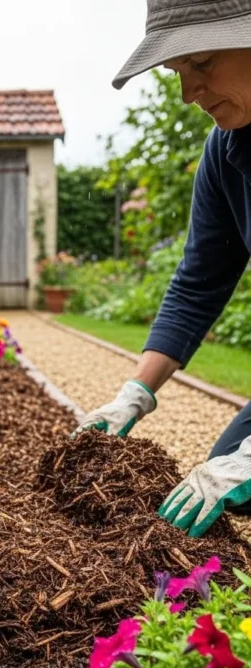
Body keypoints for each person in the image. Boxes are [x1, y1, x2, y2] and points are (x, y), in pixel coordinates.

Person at [80, 0, 251, 538]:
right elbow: (198, 284)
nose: (189, 94)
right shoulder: (226, 155)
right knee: (229, 466)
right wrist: (135, 394)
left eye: (202, 62)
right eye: (179, 73)